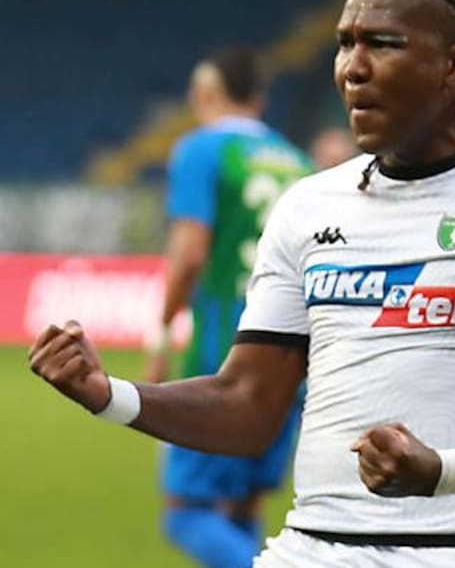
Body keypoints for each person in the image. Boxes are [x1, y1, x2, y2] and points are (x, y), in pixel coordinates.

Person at [30, 0, 455, 567]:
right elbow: (248, 402)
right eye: (344, 44)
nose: (352, 68)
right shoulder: (308, 207)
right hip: (310, 548)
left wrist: (440, 470)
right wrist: (108, 394)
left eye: (382, 44)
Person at [140, 46, 311, 567]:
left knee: (186, 513)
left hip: (227, 353)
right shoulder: (298, 163)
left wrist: (162, 331)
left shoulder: (201, 150)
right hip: (292, 358)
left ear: (206, 93)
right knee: (241, 509)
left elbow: (190, 252)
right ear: (259, 97)